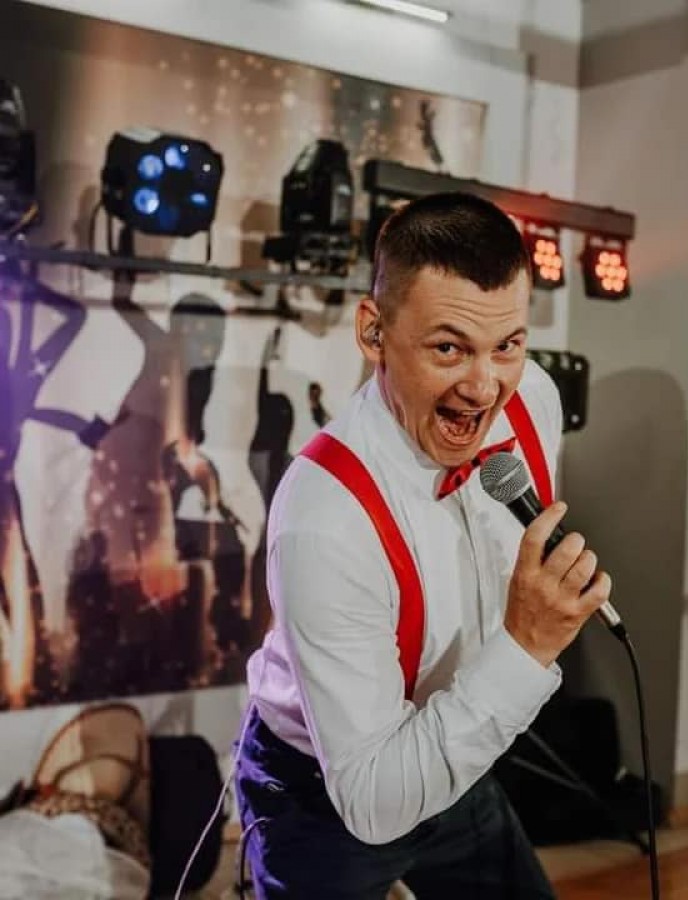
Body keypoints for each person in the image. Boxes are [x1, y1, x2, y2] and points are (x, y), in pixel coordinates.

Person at [235, 192, 612, 899]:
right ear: (373, 332)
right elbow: (372, 802)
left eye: (507, 345)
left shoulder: (533, 398)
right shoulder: (323, 518)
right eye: (449, 348)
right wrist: (526, 647)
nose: (484, 387)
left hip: (453, 738)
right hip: (322, 792)